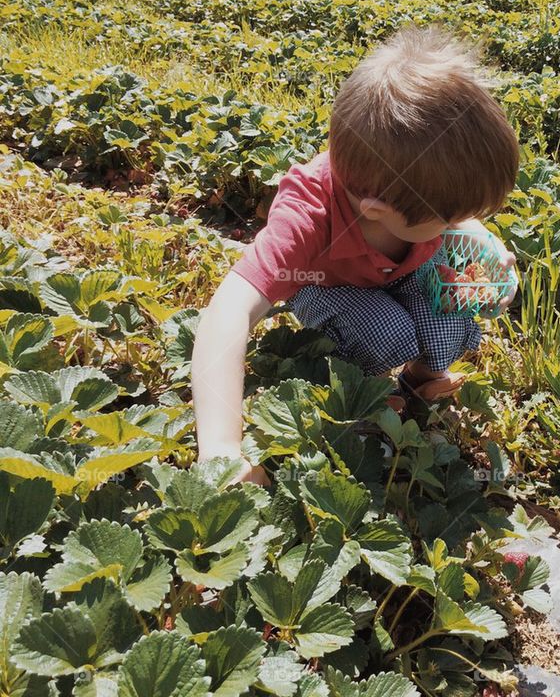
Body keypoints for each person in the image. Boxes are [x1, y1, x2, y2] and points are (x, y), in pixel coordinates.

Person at [191, 26, 520, 485]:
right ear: (377, 211)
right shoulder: (306, 219)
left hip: (400, 270)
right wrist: (221, 447)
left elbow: (460, 222)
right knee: (388, 332)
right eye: (448, 220)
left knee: (451, 313)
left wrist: (486, 247)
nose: (456, 226)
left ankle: (418, 384)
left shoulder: (408, 193)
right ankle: (364, 397)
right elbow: (227, 311)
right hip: (330, 289)